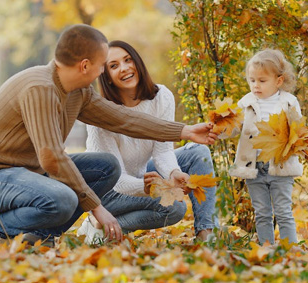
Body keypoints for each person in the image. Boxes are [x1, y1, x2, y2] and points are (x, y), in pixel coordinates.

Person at [0, 24, 218, 247]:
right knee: (63, 198)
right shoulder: (39, 88)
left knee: (106, 167)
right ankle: (0, 229)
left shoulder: (79, 92)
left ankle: (40, 235)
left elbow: (124, 119)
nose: (104, 72)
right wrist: (97, 208)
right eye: (103, 65)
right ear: (85, 65)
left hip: (28, 174)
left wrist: (184, 131)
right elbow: (52, 158)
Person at [78, 40, 218, 244]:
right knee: (175, 208)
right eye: (114, 66)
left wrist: (174, 173)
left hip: (141, 175)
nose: (125, 68)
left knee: (198, 152)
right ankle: (101, 226)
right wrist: (152, 187)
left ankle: (207, 233)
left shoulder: (161, 97)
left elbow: (162, 151)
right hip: (107, 192)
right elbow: (117, 180)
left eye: (128, 60)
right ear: (106, 77)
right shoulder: (101, 115)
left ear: (137, 62)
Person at [228, 49, 301, 245]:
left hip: (280, 167)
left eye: (262, 80)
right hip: (255, 168)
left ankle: (289, 249)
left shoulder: (289, 102)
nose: (255, 85)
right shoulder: (246, 103)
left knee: (283, 211)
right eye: (252, 80)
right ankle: (266, 249)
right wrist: (220, 129)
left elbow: (297, 132)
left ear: (278, 81)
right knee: (262, 212)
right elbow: (234, 128)